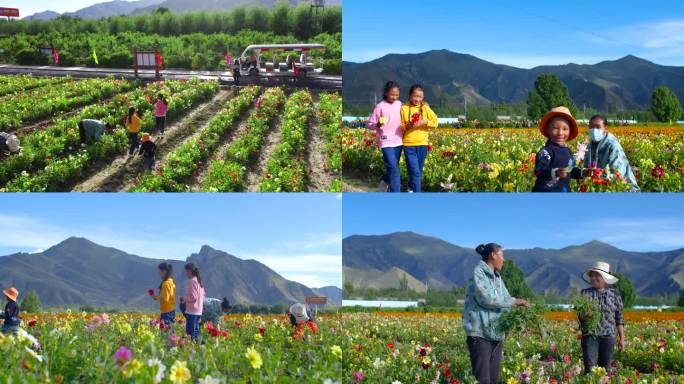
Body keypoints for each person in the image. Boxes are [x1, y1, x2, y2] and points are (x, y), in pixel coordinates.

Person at [463, 243, 530, 384]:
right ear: (493, 255)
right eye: (502, 256)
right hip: (480, 334)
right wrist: (514, 302)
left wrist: (517, 311)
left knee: (494, 379)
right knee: (483, 380)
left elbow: (506, 299)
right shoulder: (479, 273)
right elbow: (486, 298)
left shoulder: (497, 278)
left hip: (495, 334)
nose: (503, 260)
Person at [579, 261, 626, 374]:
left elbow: (619, 318)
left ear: (605, 277)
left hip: (608, 337)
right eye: (592, 275)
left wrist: (622, 338)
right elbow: (580, 317)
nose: (594, 278)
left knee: (605, 370)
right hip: (590, 336)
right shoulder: (585, 293)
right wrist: (585, 315)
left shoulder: (614, 294)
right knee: (590, 370)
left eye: (597, 275)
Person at [582, 115, 639, 191]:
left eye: (598, 127)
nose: (594, 130)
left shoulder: (613, 145)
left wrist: (596, 178)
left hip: (622, 187)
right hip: (600, 186)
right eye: (591, 127)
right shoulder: (589, 146)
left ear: (605, 128)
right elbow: (586, 170)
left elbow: (618, 174)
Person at [532, 106, 582, 192]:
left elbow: (570, 170)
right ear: (548, 129)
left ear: (570, 131)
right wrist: (556, 173)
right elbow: (539, 172)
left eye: (565, 129)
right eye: (555, 128)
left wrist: (582, 173)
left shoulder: (567, 151)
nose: (560, 133)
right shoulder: (546, 152)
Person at [400, 84, 439, 192]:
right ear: (410, 95)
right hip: (409, 145)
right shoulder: (404, 108)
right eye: (415, 96)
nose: (417, 99)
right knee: (415, 172)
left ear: (423, 97)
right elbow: (401, 126)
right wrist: (407, 125)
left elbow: (435, 122)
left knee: (418, 172)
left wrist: (424, 122)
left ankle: (410, 189)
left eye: (420, 97)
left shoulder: (425, 108)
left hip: (422, 144)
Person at [367, 81, 403, 192]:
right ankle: (395, 193)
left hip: (399, 140)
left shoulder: (400, 104)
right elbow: (369, 124)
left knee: (393, 167)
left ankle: (384, 181)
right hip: (386, 141)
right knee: (394, 168)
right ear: (386, 93)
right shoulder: (380, 106)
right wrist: (377, 124)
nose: (394, 97)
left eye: (397, 95)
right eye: (392, 94)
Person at [180, 263, 205, 341]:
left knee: (190, 333)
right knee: (195, 331)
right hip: (198, 311)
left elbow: (194, 297)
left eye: (186, 271)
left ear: (190, 271)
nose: (186, 273)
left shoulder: (192, 281)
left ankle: (191, 350)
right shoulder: (199, 281)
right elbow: (203, 295)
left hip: (192, 310)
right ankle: (197, 348)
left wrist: (184, 298)